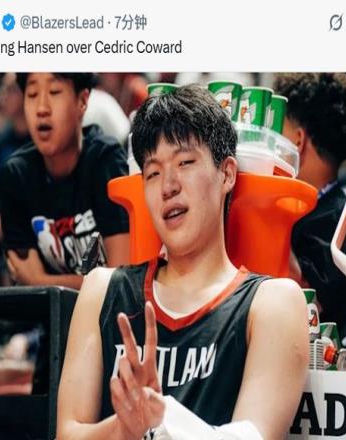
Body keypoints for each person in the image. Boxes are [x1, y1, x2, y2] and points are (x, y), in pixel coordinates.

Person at [57, 85, 309, 439]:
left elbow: (254, 435)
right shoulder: (102, 291)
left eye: (185, 163)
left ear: (227, 174)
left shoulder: (273, 304)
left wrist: (162, 418)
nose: (168, 186)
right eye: (152, 173)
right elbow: (67, 433)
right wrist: (124, 427)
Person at [0, 73, 130, 289]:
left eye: (55, 92)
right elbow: (28, 288)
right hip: (48, 312)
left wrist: (40, 281)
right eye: (32, 94)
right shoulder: (15, 176)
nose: (42, 108)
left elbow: (121, 280)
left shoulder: (106, 161)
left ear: (82, 101)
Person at [274, 73, 346, 341]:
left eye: (279, 131)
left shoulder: (339, 218)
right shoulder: (336, 208)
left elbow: (308, 302)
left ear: (297, 141)